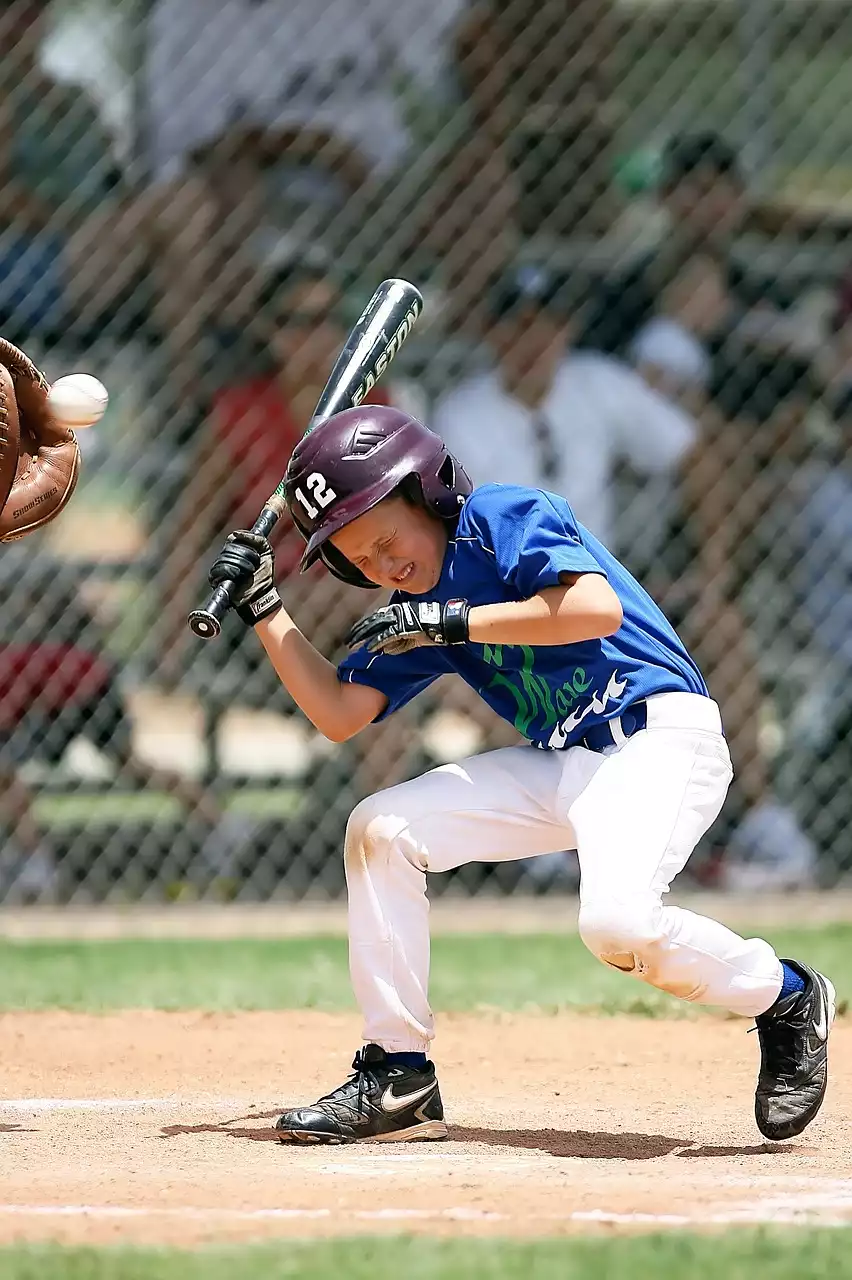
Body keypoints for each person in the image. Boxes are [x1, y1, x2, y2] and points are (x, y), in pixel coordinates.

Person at [206, 402, 835, 1145]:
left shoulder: (502, 516)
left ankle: (787, 996)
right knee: (382, 827)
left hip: (658, 740)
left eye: (385, 539)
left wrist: (450, 622)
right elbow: (341, 713)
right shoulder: (416, 606)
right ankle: (397, 1072)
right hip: (565, 761)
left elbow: (591, 608)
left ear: (426, 492)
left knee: (616, 925)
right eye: (360, 561)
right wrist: (269, 612)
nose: (382, 566)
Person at [433, 263, 697, 554]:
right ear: (490, 332)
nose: (532, 341)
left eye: (547, 324)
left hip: (597, 577)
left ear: (567, 329)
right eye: (516, 326)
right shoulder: (460, 415)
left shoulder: (597, 381)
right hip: (507, 579)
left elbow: (691, 451)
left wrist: (715, 574)